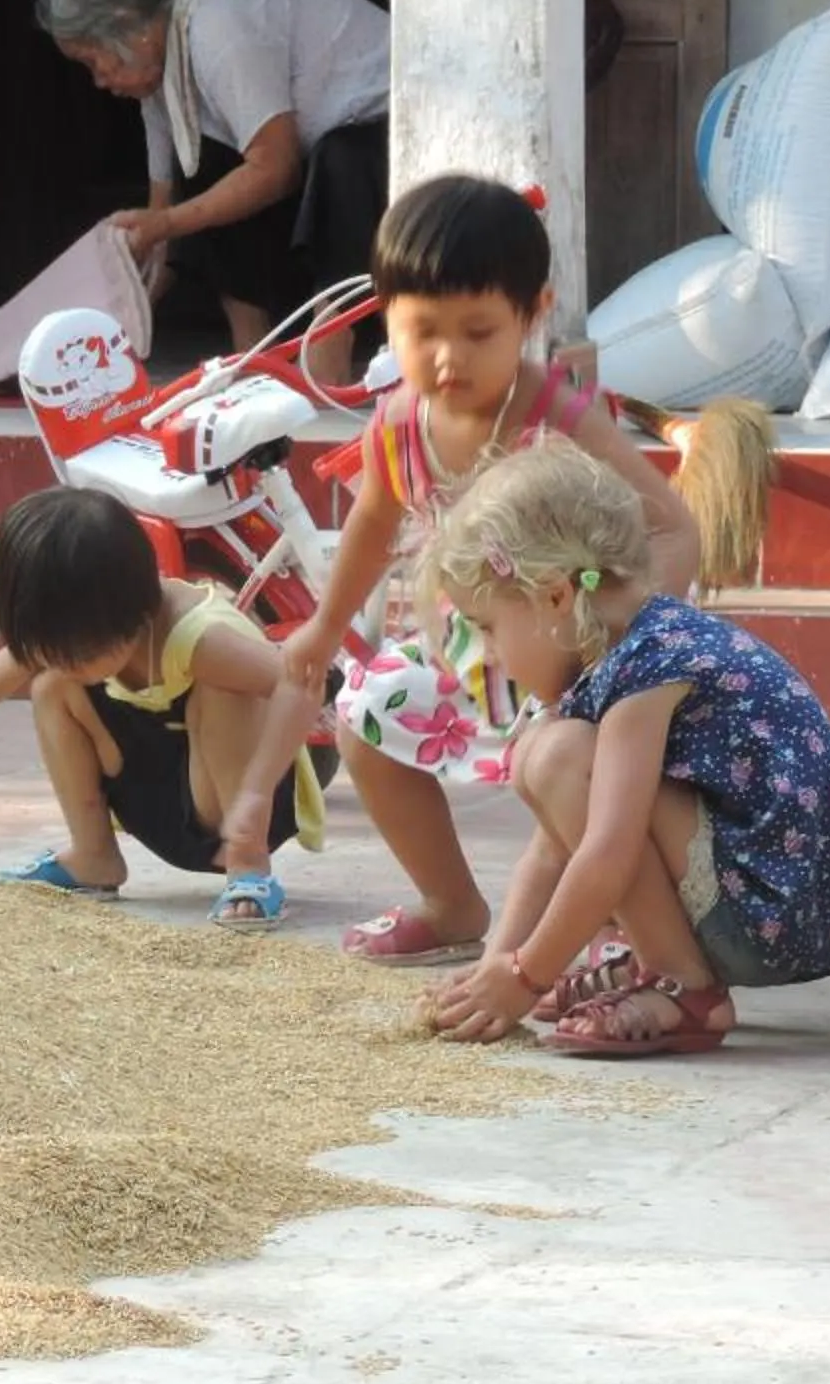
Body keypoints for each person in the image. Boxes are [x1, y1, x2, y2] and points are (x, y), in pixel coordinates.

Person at [280, 175, 700, 964]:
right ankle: (450, 903)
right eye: (422, 330)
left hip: (577, 658)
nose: (447, 357)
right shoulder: (400, 422)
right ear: (385, 314)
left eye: (478, 331)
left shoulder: (561, 418)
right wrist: (324, 625)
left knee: (579, 775)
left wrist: (626, 648)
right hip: (474, 651)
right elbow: (373, 524)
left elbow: (672, 526)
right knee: (366, 717)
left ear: (533, 314)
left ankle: (623, 926)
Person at [414, 441, 830, 1054]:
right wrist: (499, 966)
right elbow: (552, 851)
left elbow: (606, 852)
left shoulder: (653, 661)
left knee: (557, 758)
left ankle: (686, 989)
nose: (491, 655)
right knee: (542, 753)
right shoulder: (615, 650)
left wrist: (526, 978)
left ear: (555, 596)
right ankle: (658, 966)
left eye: (487, 628)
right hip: (744, 896)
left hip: (773, 911)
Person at [0, 487, 327, 928]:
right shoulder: (71, 637)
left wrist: (258, 794)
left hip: (236, 817)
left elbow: (302, 685)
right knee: (49, 684)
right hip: (157, 803)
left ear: (133, 612)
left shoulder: (198, 637)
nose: (67, 664)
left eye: (79, 655)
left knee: (224, 688)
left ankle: (250, 873)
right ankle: (93, 856)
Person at [35, 0, 391, 386]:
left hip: (387, 132)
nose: (99, 81)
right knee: (206, 180)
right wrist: (123, 316)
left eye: (93, 61)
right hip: (317, 149)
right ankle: (255, 356)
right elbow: (163, 212)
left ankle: (329, 350)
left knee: (339, 160)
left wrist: (164, 225)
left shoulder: (217, 29)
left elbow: (276, 167)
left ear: (130, 28)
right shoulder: (162, 79)